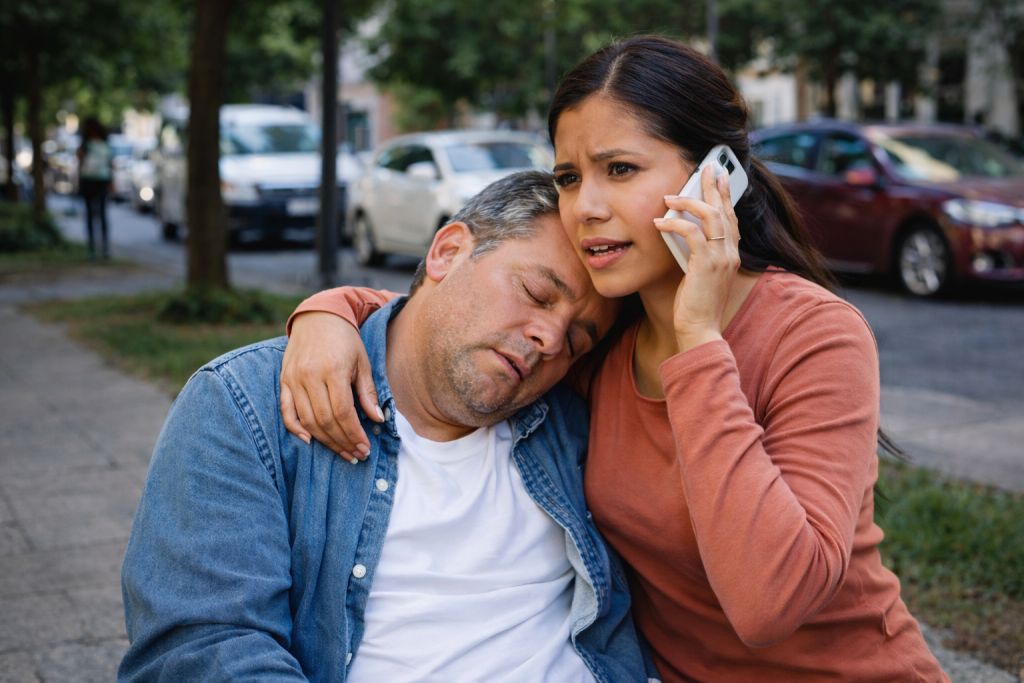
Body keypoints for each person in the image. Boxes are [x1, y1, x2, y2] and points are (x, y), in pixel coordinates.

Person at [279, 37, 950, 682]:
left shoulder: (814, 334)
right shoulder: (600, 335)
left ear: (716, 179)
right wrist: (331, 313)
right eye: (569, 177)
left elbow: (768, 602)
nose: (585, 208)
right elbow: (455, 312)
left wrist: (697, 340)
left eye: (619, 170)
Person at [119, 171, 658, 683]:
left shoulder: (579, 420)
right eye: (537, 294)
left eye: (579, 340)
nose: (551, 339)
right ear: (448, 251)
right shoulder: (247, 406)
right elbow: (203, 647)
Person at [76, 117, 112, 259]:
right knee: (90, 215)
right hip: (88, 180)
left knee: (102, 214)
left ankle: (104, 247)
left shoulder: (105, 144)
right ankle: (92, 248)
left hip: (102, 180)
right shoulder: (85, 145)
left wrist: (111, 182)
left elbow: (110, 163)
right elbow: (80, 162)